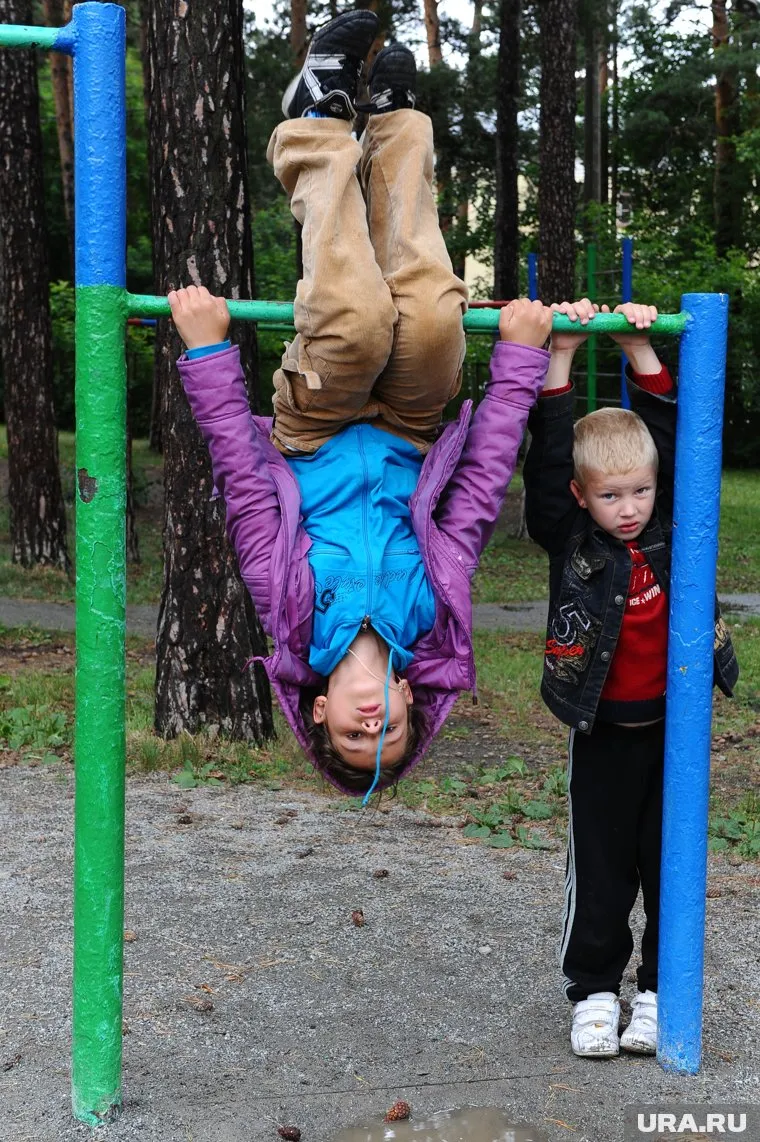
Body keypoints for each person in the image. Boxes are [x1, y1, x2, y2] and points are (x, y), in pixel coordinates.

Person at [168, 9, 553, 802]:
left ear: (318, 709)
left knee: (355, 323)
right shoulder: (429, 611)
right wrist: (519, 359)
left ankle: (315, 120)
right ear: (413, 701)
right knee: (436, 321)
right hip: (409, 431)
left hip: (313, 429)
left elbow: (244, 486)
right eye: (391, 730)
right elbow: (478, 496)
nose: (371, 720)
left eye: (351, 732)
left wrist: (208, 353)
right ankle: (396, 125)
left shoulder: (293, 613)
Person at [523, 298, 738, 1057]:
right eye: (611, 495)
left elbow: (679, 437)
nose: (629, 508)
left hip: (675, 731)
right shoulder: (570, 534)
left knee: (670, 866)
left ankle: (657, 991)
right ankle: (592, 992)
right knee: (606, 872)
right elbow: (549, 465)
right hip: (606, 732)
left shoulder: (676, 521)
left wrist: (638, 349)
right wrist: (561, 358)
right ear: (585, 498)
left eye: (639, 491)